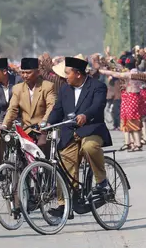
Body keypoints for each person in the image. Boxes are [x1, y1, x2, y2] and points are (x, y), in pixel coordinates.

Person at [47, 57, 112, 218]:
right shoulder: (64, 89)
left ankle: (102, 182)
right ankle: (65, 205)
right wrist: (45, 124)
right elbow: (57, 110)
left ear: (77, 74)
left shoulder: (98, 86)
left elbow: (98, 106)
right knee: (63, 162)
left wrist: (85, 115)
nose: (65, 76)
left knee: (89, 147)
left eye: (67, 73)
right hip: (70, 132)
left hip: (92, 129)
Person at [2, 57, 56, 158]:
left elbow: (51, 106)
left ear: (38, 72)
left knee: (44, 155)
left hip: (43, 130)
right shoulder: (17, 89)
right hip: (25, 130)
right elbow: (12, 109)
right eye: (23, 73)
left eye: (28, 73)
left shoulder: (47, 86)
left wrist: (44, 123)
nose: (25, 76)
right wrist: (5, 125)